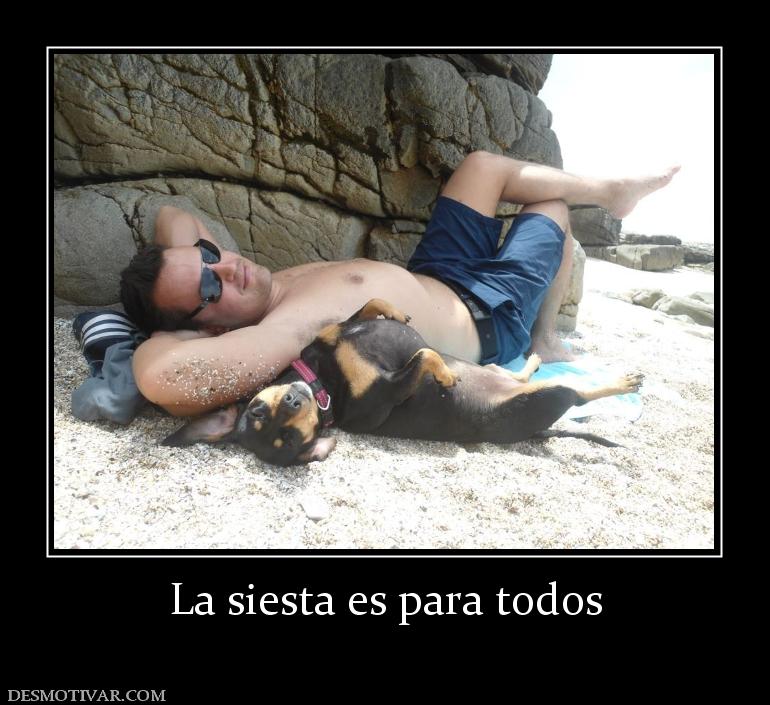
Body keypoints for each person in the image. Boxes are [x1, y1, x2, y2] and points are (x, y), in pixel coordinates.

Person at [120, 151, 679, 417]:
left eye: (209, 257)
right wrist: (171, 335)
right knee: (552, 207)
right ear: (211, 329)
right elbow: (166, 378)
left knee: (482, 166)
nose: (224, 269)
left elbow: (174, 216)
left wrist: (184, 276)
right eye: (209, 291)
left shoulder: (245, 279)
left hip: (434, 272)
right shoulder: (283, 327)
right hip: (488, 317)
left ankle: (610, 191)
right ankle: (545, 338)